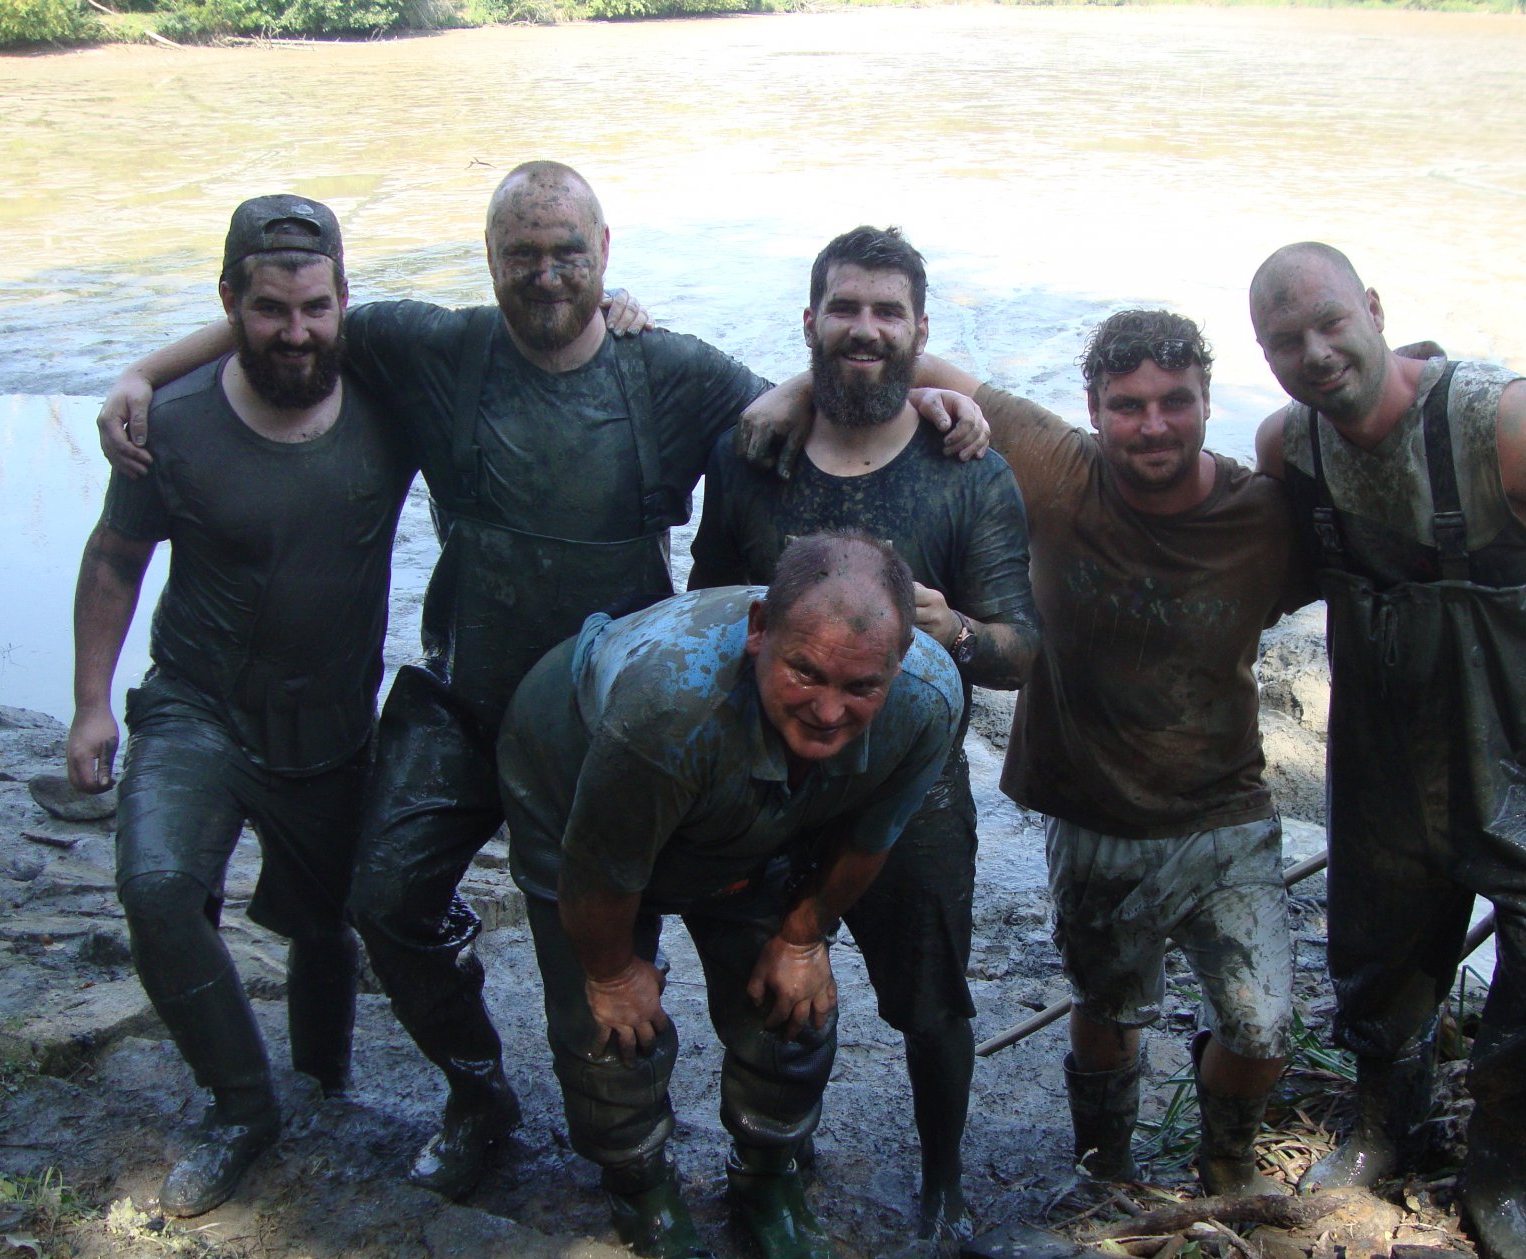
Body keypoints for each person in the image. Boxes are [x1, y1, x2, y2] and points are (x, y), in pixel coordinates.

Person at [98, 165, 986, 1202]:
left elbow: (844, 381)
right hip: (466, 697)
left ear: (604, 252)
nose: (548, 273)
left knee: (617, 945)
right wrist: (143, 372)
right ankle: (477, 1093)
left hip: (616, 722)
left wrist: (926, 390)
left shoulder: (668, 369)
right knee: (383, 898)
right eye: (523, 254)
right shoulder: (434, 346)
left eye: (568, 251)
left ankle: (671, 1148)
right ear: (490, 259)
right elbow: (295, 322)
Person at [1249, 242, 1526, 1259]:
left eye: (1330, 323)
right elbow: (1261, 558)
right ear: (1266, 357)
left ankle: (1498, 1174)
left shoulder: (1505, 423)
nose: (1316, 354)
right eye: (1286, 342)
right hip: (1385, 753)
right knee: (1375, 960)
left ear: (1373, 307)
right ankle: (1387, 1127)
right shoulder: (1292, 449)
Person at [903, 312, 1309, 1198]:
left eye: (1176, 402)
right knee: (1109, 1006)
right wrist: (789, 392)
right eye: (1128, 406)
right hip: (1093, 809)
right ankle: (1106, 1170)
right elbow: (900, 355)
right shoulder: (1057, 468)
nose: (1153, 424)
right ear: (1092, 409)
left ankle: (1228, 1167)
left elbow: (1374, 517)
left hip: (1227, 809)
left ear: (1210, 401)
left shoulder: (1265, 517)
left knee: (1264, 1026)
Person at [68, 196, 419, 1217]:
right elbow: (113, 560)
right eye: (269, 310)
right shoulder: (169, 428)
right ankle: (242, 1106)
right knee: (158, 884)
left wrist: (617, 308)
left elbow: (526, 346)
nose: (296, 331)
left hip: (330, 726)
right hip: (197, 706)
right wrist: (92, 704)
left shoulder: (389, 403)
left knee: (325, 929)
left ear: (345, 301)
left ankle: (325, 1086)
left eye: (316, 306)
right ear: (230, 303)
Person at [498, 534, 962, 1259]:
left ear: (902, 661)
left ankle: (767, 1180)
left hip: (753, 796)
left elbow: (868, 837)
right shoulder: (668, 708)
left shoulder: (927, 701)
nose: (827, 708)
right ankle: (640, 1187)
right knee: (609, 1027)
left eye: (860, 687)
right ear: (758, 630)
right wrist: (614, 972)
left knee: (793, 1006)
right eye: (804, 671)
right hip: (577, 767)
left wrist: (802, 936)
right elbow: (600, 871)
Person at [689, 226, 1038, 1239]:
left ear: (921, 332)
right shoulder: (754, 454)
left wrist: (958, 629)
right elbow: (707, 608)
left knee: (931, 1002)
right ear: (810, 322)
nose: (865, 329)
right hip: (767, 786)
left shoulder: (967, 473)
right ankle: (778, 1159)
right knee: (763, 992)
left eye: (889, 312)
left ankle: (942, 1186)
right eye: (845, 308)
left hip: (914, 792)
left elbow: (1021, 652)